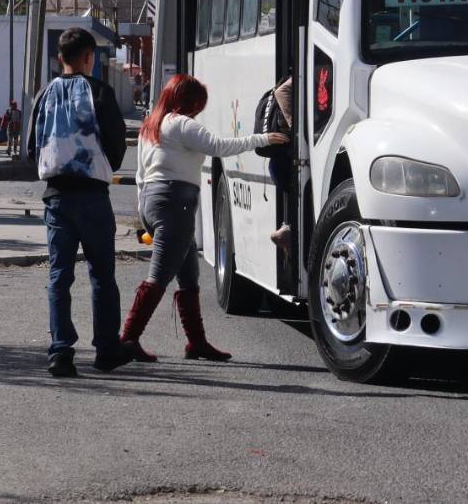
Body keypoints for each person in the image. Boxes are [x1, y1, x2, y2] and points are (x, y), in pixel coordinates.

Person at [118, 74, 284, 363]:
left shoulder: (151, 126)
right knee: (158, 278)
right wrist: (264, 138)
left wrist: (145, 213)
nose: (199, 111)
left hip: (154, 202)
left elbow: (141, 176)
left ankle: (197, 343)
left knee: (188, 277)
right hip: (175, 205)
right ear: (189, 102)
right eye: (198, 104)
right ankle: (128, 339)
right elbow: (219, 147)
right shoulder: (182, 124)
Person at [27, 27, 129, 378]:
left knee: (59, 276)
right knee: (102, 275)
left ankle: (61, 352)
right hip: (92, 195)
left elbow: (32, 147)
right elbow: (117, 143)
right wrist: (102, 167)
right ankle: (106, 350)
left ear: (60, 59)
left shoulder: (45, 94)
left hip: (56, 196)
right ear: (90, 58)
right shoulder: (100, 92)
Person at [254, 75, 295, 249]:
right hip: (287, 151)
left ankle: (288, 225)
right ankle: (289, 225)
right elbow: (282, 91)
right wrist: (295, 127)